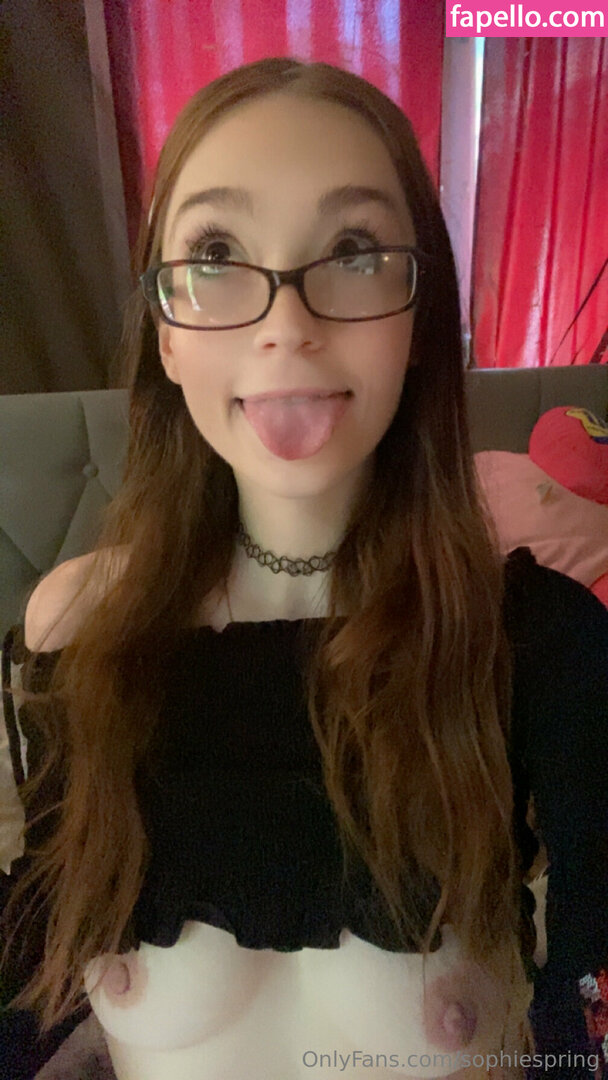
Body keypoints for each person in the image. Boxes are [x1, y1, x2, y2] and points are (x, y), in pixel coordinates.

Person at [1, 57, 607, 1080]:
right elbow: (35, 948)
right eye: (216, 252)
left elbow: (590, 1003)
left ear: (419, 321)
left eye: (354, 250)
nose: (287, 326)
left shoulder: (538, 643)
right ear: (166, 335)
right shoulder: (78, 627)